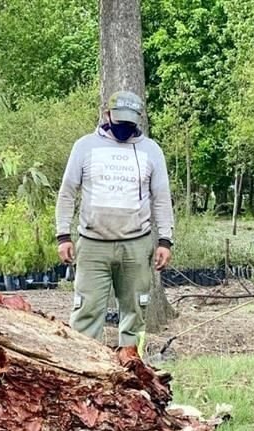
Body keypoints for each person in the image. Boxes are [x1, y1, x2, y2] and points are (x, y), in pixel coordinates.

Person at [55, 90, 174, 354]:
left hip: (136, 244)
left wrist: (165, 240)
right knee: (86, 310)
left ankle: (132, 367)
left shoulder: (151, 151)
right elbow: (67, 192)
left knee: (135, 311)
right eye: (120, 122)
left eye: (129, 123)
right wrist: (63, 235)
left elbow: (162, 198)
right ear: (107, 114)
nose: (124, 128)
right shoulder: (84, 146)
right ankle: (84, 368)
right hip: (92, 244)